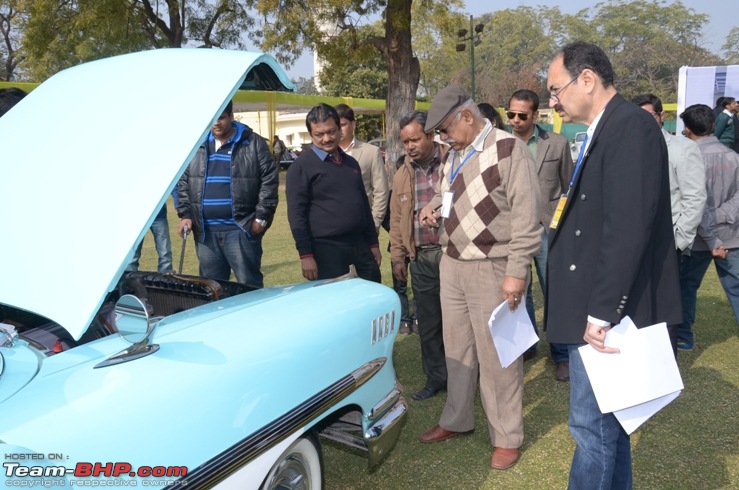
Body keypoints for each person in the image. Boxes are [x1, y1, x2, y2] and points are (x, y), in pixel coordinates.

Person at [545, 42, 681, 489]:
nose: (552, 100)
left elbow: (627, 228)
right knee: (608, 426)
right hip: (593, 304)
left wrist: (602, 310)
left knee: (592, 429)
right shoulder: (604, 129)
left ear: (586, 79)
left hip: (605, 314)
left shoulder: (630, 127)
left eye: (555, 89)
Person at [417, 86, 541, 471]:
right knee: (457, 350)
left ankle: (506, 435)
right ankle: (457, 419)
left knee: (497, 357)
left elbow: (526, 218)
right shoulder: (454, 153)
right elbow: (448, 191)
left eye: (445, 129)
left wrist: (516, 273)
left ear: (467, 117)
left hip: (492, 267)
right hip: (451, 265)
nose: (441, 138)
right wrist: (432, 206)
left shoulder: (508, 149)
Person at [632, 94, 707, 355]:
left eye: (650, 116)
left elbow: (695, 197)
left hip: (668, 242)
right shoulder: (630, 148)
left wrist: (679, 240)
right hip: (634, 242)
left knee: (666, 306)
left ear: (662, 117)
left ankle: (665, 362)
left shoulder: (682, 148)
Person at [507, 88, 574, 380]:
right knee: (521, 293)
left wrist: (561, 226)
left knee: (555, 293)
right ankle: (528, 344)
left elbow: (568, 188)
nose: (516, 120)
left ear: (536, 115)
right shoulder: (502, 146)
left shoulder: (557, 144)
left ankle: (562, 354)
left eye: (522, 115)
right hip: (514, 233)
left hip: (548, 232)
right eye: (510, 114)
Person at [177, 100, 278, 288]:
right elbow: (183, 181)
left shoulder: (253, 142)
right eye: (212, 119)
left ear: (231, 117)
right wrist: (185, 214)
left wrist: (261, 218)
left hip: (240, 230)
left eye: (221, 117)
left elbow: (269, 180)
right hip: (206, 234)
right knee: (212, 292)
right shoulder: (196, 145)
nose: (216, 123)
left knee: (250, 290)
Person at [390, 110, 449, 401]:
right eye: (405, 142)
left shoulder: (453, 160)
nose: (410, 146)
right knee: (429, 322)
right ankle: (436, 378)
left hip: (454, 254)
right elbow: (397, 217)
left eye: (415, 139)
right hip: (422, 258)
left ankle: (467, 378)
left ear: (430, 135)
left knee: (459, 321)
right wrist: (398, 256)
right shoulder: (402, 173)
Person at [286, 103, 381, 282]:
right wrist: (305, 255)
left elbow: (363, 206)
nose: (326, 138)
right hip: (326, 251)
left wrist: (373, 244)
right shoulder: (301, 167)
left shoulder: (351, 164)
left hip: (360, 246)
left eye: (331, 131)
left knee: (372, 299)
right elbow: (296, 215)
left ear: (339, 129)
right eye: (319, 134)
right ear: (311, 134)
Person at [677, 104, 739, 349]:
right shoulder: (733, 156)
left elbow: (695, 203)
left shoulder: (690, 159)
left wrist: (713, 233)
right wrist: (724, 216)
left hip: (701, 239)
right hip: (731, 235)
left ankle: (683, 335)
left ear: (688, 129)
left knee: (685, 286)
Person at [335, 103, 389, 232]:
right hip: (333, 228)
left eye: (342, 125)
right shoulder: (326, 154)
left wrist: (374, 223)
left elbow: (381, 191)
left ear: (353, 124)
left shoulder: (371, 152)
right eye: (335, 126)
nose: (339, 130)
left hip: (363, 226)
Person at [126, 203, 173, 273]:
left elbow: (173, 191)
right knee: (132, 256)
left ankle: (165, 281)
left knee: (165, 254)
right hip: (136, 216)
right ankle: (129, 280)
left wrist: (179, 207)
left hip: (159, 215)